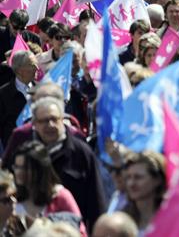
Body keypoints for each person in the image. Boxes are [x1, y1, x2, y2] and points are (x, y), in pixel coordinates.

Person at [24, 97, 106, 229]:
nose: (50, 125)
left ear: (62, 120)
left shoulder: (81, 153)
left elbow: (96, 201)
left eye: (54, 119)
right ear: (34, 124)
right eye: (44, 121)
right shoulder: (27, 153)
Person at [12, 141, 85, 235]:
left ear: (40, 169)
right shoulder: (10, 198)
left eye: (26, 168)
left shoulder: (61, 196)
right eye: (17, 167)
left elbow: (80, 231)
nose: (19, 172)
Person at [121, 151, 166, 231]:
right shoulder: (122, 218)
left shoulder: (171, 216)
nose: (131, 183)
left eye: (138, 177)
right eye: (128, 177)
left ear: (157, 180)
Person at [0, 50, 37, 146]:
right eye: (32, 65)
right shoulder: (3, 94)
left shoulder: (41, 90)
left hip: (39, 150)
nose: (36, 68)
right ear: (20, 70)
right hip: (13, 151)